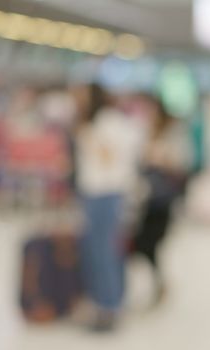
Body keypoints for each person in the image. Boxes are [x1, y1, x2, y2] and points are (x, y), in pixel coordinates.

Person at [75, 83, 141, 331]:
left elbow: (108, 155)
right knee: (106, 250)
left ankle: (108, 306)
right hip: (105, 193)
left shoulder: (104, 122)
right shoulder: (113, 121)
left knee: (102, 252)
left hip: (104, 193)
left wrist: (86, 137)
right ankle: (111, 302)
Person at [132, 95, 192, 306]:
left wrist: (163, 158)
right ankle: (158, 283)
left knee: (152, 243)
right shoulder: (145, 133)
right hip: (146, 197)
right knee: (143, 245)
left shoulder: (173, 133)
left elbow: (182, 163)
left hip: (163, 199)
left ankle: (161, 283)